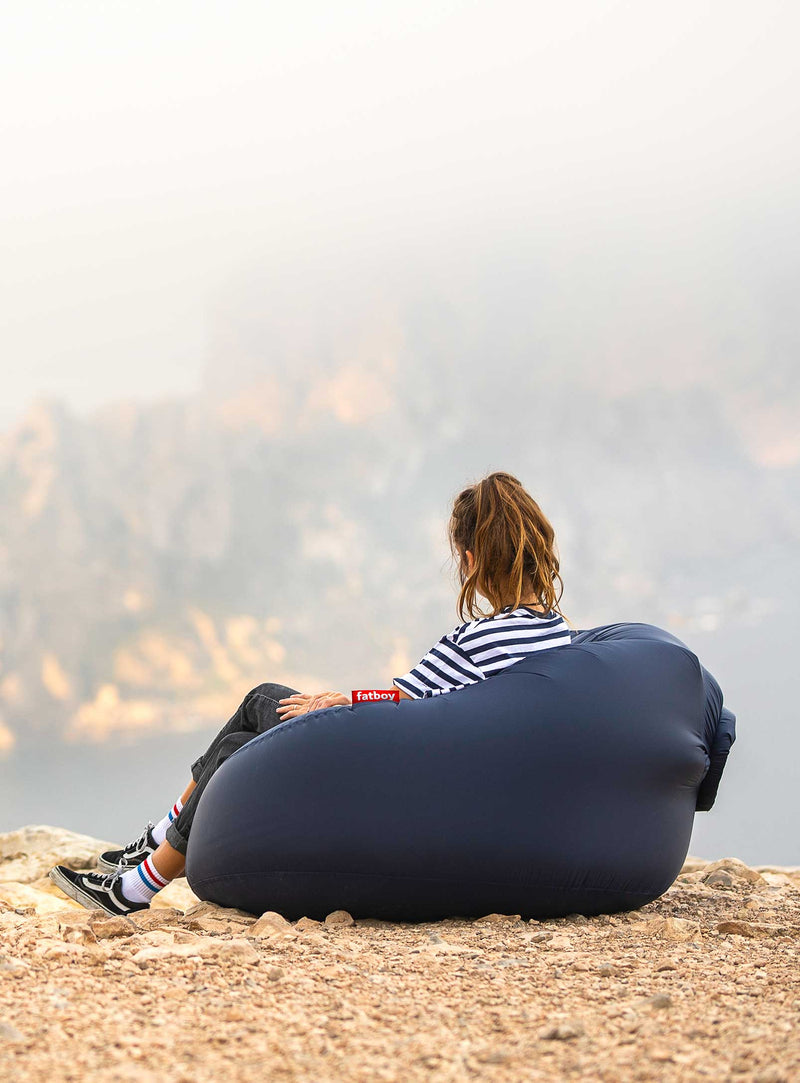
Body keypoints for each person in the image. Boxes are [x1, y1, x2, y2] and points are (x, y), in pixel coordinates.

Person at [49, 471, 574, 916]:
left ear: (472, 559)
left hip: (392, 777)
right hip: (449, 781)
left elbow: (402, 701)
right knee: (249, 724)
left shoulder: (478, 637)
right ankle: (145, 865)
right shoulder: (556, 632)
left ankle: (137, 881)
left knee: (254, 717)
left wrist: (344, 702)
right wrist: (344, 700)